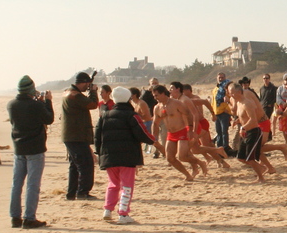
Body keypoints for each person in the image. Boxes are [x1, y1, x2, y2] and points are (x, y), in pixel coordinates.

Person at [95, 87, 156, 224]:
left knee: (113, 184)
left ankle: (107, 210)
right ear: (128, 99)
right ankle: (123, 214)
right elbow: (141, 133)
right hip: (128, 156)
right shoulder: (132, 115)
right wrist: (152, 140)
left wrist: (99, 152)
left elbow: (97, 136)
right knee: (127, 185)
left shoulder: (105, 115)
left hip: (109, 155)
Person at [7, 75, 54, 229]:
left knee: (16, 184)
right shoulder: (35, 105)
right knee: (32, 185)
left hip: (19, 148)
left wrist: (38, 103)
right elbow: (48, 119)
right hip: (35, 148)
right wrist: (47, 101)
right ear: (31, 89)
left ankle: (15, 217)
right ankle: (29, 218)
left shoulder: (11, 104)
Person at [152, 85, 206, 181]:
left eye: (157, 95)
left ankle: (200, 163)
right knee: (170, 158)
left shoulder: (176, 103)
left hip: (182, 131)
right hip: (171, 134)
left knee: (182, 156)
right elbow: (155, 124)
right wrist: (153, 137)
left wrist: (191, 130)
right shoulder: (157, 107)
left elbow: (188, 114)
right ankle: (187, 175)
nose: (155, 98)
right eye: (154, 96)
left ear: (163, 93)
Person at [62, 72, 99, 200]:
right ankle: (83, 192)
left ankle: (71, 192)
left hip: (71, 135)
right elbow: (93, 105)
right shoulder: (75, 95)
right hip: (77, 135)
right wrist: (93, 92)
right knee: (86, 164)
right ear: (83, 82)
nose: (87, 87)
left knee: (75, 165)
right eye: (87, 84)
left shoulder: (68, 92)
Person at [229, 83, 266, 183]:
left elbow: (253, 119)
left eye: (232, 93)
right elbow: (243, 118)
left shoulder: (247, 103)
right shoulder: (239, 103)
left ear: (239, 92)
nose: (231, 95)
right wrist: (237, 121)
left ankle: (261, 178)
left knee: (250, 159)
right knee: (240, 158)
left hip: (253, 132)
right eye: (229, 93)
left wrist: (243, 127)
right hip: (245, 132)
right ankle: (261, 168)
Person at [211, 72, 233, 150]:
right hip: (217, 113)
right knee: (218, 132)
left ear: (225, 78)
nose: (221, 79)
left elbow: (231, 99)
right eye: (219, 77)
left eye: (222, 77)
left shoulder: (227, 89)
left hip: (224, 113)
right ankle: (219, 148)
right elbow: (213, 102)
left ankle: (225, 147)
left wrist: (228, 110)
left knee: (224, 132)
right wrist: (212, 113)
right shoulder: (215, 90)